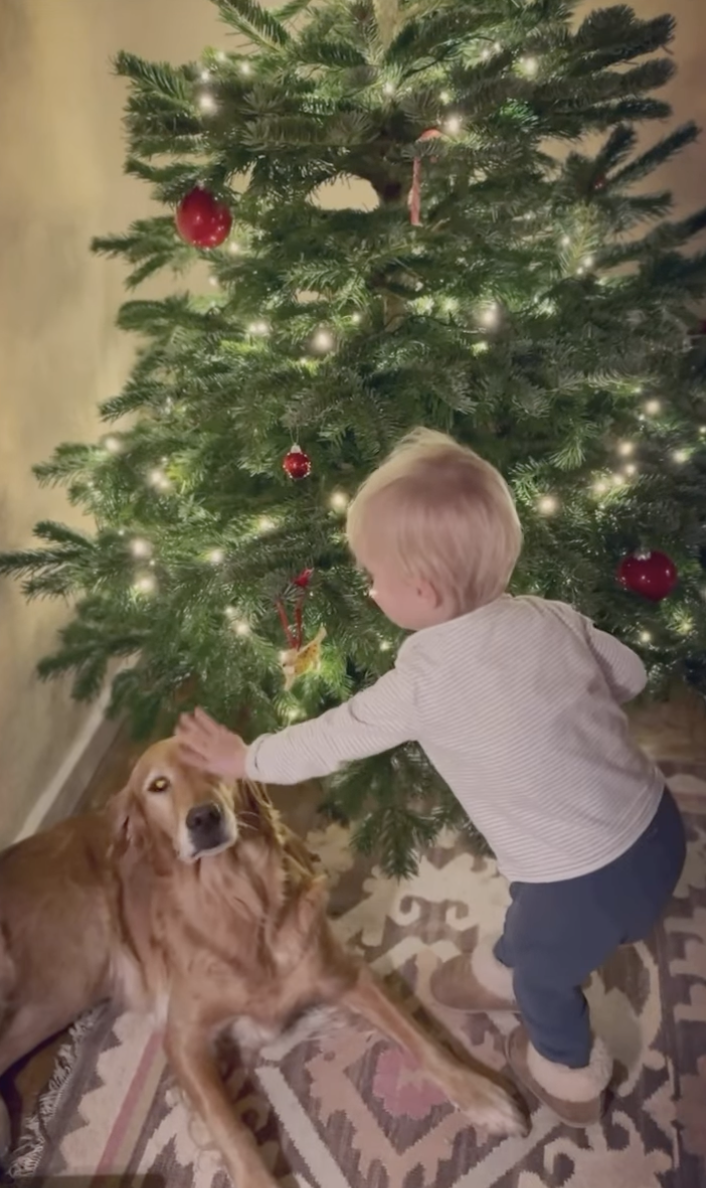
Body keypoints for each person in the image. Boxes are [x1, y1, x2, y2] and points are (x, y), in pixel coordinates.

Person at [177, 428, 686, 1127]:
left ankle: (571, 1077)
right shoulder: (549, 615)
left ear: (422, 592)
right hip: (659, 827)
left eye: (373, 576)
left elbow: (334, 737)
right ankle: (505, 964)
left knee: (548, 977)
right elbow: (627, 674)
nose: (369, 586)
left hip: (579, 882)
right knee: (537, 920)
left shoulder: (423, 678)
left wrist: (246, 759)